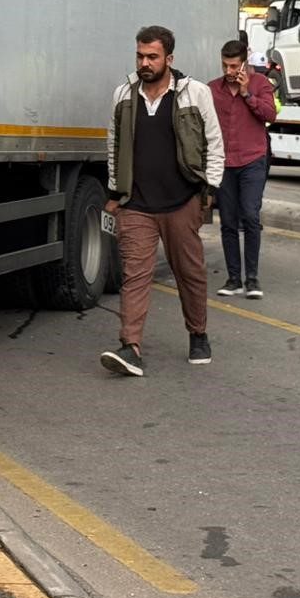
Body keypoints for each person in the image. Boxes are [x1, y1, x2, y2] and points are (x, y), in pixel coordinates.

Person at [101, 26, 225, 375]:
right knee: (135, 275)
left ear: (169, 58)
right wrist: (115, 192)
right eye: (140, 56)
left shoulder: (194, 93)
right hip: (136, 203)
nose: (145, 62)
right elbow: (114, 145)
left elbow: (214, 141)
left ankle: (198, 333)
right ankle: (130, 347)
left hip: (182, 200)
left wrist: (210, 188)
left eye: (152, 56)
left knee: (190, 273)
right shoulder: (123, 94)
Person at [210, 39, 276, 300]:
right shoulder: (213, 89)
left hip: (252, 160)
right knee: (227, 221)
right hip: (224, 163)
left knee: (249, 216)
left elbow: (270, 115)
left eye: (233, 66)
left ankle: (252, 278)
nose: (229, 71)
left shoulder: (260, 84)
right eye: (225, 65)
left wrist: (248, 94)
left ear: (244, 63)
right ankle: (233, 278)